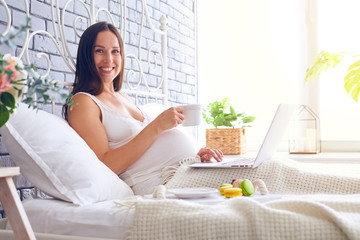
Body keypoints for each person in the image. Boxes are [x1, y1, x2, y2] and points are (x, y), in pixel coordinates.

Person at [62, 22, 223, 194]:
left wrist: (196, 154)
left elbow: (149, 148)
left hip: (181, 171)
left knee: (247, 177)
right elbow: (104, 165)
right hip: (154, 182)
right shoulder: (83, 102)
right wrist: (157, 126)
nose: (109, 59)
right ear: (87, 56)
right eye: (99, 51)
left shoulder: (123, 97)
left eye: (115, 51)